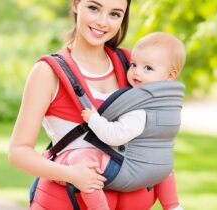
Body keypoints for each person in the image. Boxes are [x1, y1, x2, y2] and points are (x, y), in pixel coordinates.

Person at [8, 0, 182, 209]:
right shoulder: (48, 72)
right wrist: (71, 174)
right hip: (66, 201)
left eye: (115, 14)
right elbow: (18, 151)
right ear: (75, 5)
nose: (102, 22)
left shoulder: (131, 65)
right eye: (93, 8)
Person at [76, 32, 185, 210]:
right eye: (133, 64)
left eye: (148, 68)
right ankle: (173, 206)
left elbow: (114, 136)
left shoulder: (140, 109)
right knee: (164, 165)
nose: (136, 72)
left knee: (84, 163)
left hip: (129, 172)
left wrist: (94, 119)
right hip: (161, 169)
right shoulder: (169, 105)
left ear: (170, 75)